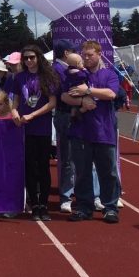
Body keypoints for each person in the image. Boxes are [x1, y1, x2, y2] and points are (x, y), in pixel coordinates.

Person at [62, 40, 121, 224]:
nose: (87, 58)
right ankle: (83, 207)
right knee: (82, 172)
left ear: (99, 54)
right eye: (84, 55)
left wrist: (88, 90)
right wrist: (81, 102)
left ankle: (110, 207)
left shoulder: (109, 74)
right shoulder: (76, 75)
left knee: (108, 172)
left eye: (90, 55)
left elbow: (111, 94)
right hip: (81, 131)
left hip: (104, 131)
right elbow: (65, 96)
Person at [12, 46, 58, 221]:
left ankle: (44, 204)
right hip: (25, 127)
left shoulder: (48, 77)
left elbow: (52, 103)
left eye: (31, 57)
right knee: (29, 166)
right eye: (25, 58)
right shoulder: (19, 77)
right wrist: (15, 112)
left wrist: (33, 114)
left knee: (43, 167)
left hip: (42, 127)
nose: (28, 61)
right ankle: (34, 204)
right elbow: (15, 100)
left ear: (38, 58)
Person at [50, 40, 78, 213]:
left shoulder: (62, 69)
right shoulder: (58, 70)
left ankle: (72, 192)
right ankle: (66, 195)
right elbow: (62, 93)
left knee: (78, 157)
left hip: (71, 113)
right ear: (66, 53)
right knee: (68, 157)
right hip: (65, 113)